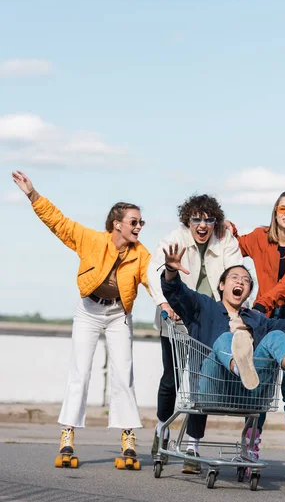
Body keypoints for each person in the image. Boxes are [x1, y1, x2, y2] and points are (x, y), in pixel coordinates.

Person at [161, 245, 285, 472]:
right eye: (234, 277)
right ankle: (239, 364)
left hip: (249, 392)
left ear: (248, 293)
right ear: (222, 285)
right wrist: (170, 269)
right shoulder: (204, 307)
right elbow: (175, 291)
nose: (240, 282)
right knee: (226, 339)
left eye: (246, 281)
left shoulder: (256, 319)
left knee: (276, 335)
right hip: (212, 386)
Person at [12, 170, 151, 465]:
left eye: (141, 221)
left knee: (123, 373)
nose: (140, 226)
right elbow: (58, 223)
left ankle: (127, 436)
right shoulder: (90, 239)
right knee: (80, 372)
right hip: (89, 310)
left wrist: (168, 303)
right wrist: (32, 195)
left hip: (118, 315)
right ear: (117, 224)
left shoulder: (141, 254)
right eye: (134, 221)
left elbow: (155, 281)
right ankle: (67, 435)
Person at [226, 190, 285, 481]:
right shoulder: (259, 237)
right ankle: (250, 446)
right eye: (283, 208)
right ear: (275, 211)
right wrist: (231, 231)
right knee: (261, 386)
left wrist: (263, 302)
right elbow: (235, 248)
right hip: (265, 321)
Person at [147, 194, 243, 473]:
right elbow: (154, 271)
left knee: (204, 383)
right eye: (196, 219)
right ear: (187, 220)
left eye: (208, 219)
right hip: (175, 318)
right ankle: (162, 430)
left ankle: (192, 445)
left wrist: (236, 312)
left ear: (216, 221)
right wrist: (164, 303)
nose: (202, 225)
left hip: (208, 321)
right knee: (171, 380)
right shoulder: (174, 239)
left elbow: (238, 273)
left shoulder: (225, 241)